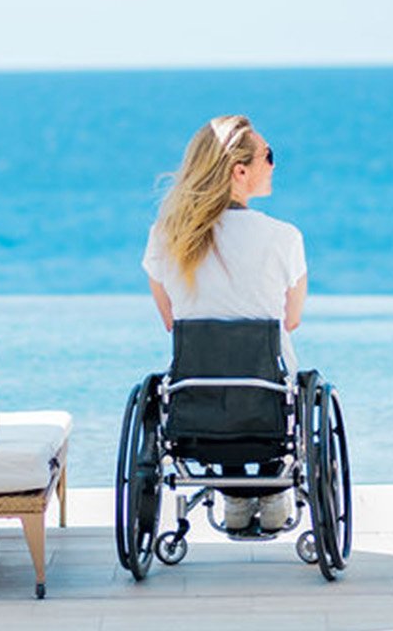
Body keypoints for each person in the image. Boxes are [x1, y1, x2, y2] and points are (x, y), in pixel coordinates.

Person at [142, 115, 307, 534]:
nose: (273, 165)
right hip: (269, 403)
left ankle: (234, 495)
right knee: (272, 376)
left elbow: (170, 321)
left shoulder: (166, 237)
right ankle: (271, 491)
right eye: (269, 156)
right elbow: (291, 319)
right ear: (240, 171)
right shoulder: (284, 237)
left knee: (222, 384)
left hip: (195, 403)